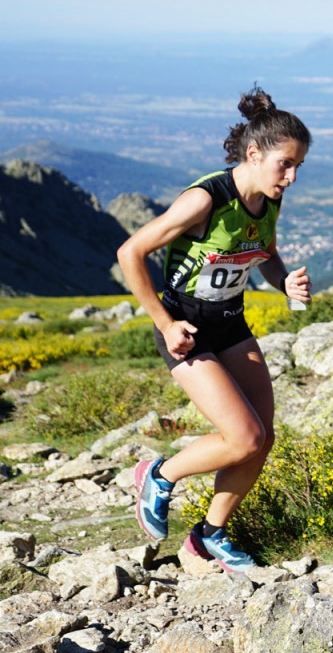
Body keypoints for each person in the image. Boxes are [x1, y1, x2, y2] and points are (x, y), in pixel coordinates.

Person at [116, 85, 312, 572]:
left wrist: (283, 282)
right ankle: (159, 474)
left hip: (230, 324)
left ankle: (208, 537)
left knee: (262, 438)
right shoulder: (205, 200)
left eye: (297, 168)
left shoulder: (267, 202)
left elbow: (262, 252)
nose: (290, 177)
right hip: (186, 330)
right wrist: (165, 323)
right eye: (284, 164)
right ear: (253, 153)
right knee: (243, 437)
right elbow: (130, 253)